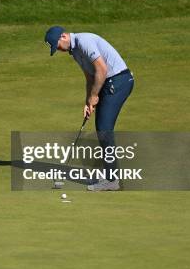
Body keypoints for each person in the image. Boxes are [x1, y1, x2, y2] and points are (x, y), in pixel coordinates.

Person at [44, 26, 134, 191]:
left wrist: (94, 96)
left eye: (56, 45)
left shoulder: (83, 41)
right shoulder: (75, 51)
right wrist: (88, 101)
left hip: (118, 81)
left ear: (63, 36)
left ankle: (111, 180)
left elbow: (102, 69)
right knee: (102, 129)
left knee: (104, 129)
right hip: (108, 83)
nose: (58, 49)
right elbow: (90, 77)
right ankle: (110, 175)